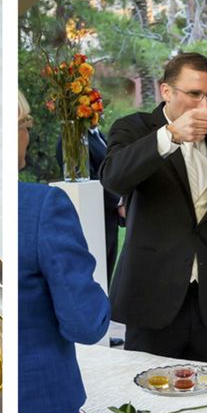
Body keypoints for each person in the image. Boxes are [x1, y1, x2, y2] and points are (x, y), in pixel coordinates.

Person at [100, 52, 207, 365]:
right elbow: (113, 178)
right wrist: (170, 135)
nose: (205, 106)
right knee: (150, 404)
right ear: (166, 91)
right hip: (151, 299)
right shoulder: (134, 130)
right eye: (194, 94)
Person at [18, 91, 110, 413]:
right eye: (25, 124)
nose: (28, 132)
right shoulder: (43, 207)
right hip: (41, 410)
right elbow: (85, 324)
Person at [56, 124, 125, 348]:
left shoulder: (98, 136)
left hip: (108, 217)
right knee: (98, 270)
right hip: (97, 213)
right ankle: (96, 327)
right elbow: (95, 177)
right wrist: (118, 201)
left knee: (107, 269)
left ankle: (103, 328)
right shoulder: (75, 139)